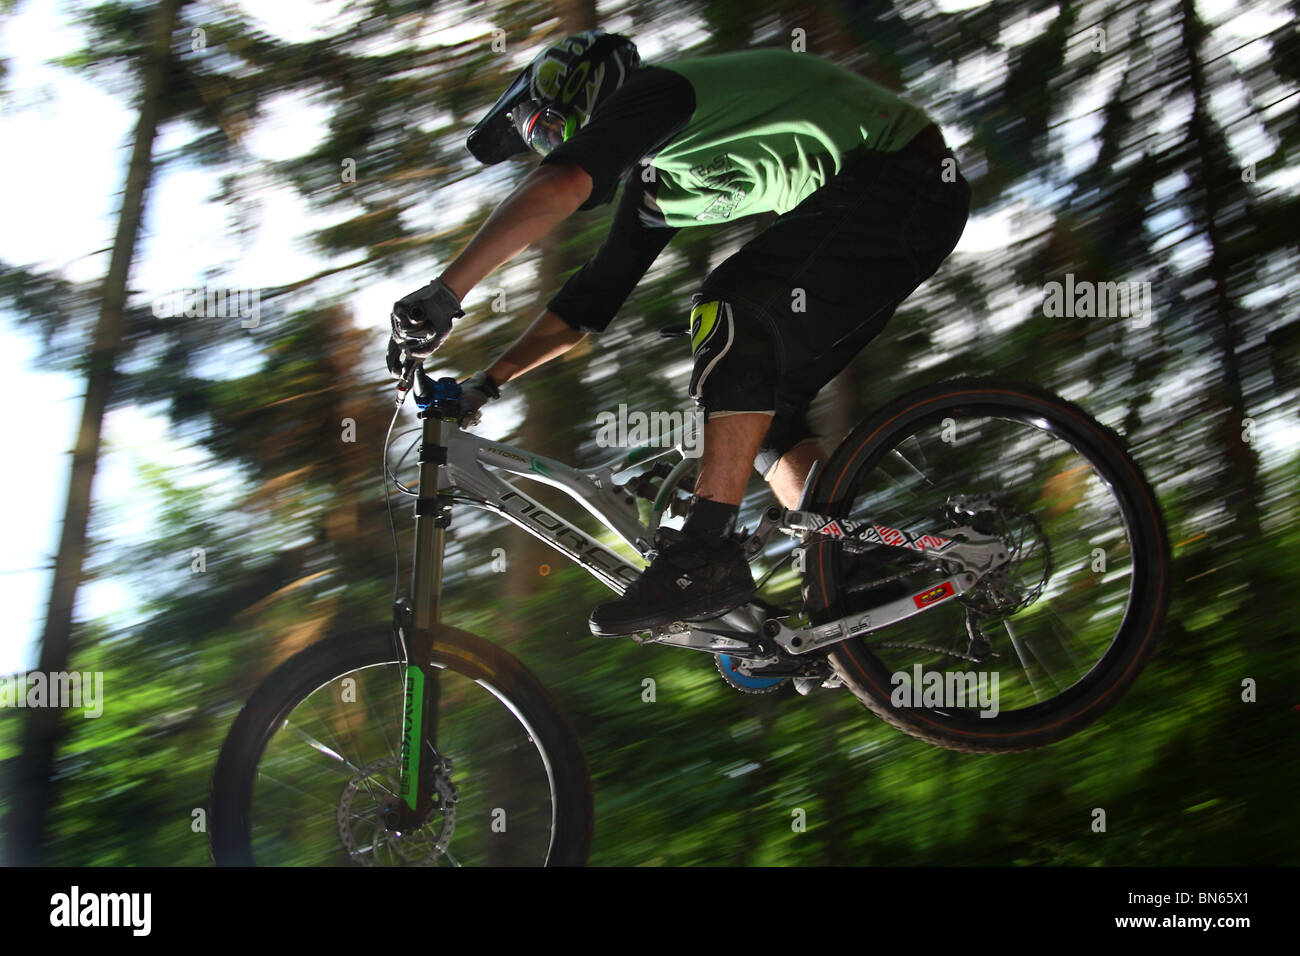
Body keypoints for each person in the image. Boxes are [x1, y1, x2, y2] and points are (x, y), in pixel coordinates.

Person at [387, 29, 970, 637]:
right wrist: (488, 382)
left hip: (908, 175)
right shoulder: (656, 185)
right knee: (766, 407)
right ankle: (854, 567)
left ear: (583, 90)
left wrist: (447, 291)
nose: (550, 146)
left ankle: (704, 556)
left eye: (546, 128)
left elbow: (561, 184)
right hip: (892, 211)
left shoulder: (659, 92)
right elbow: (591, 300)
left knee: (731, 308)